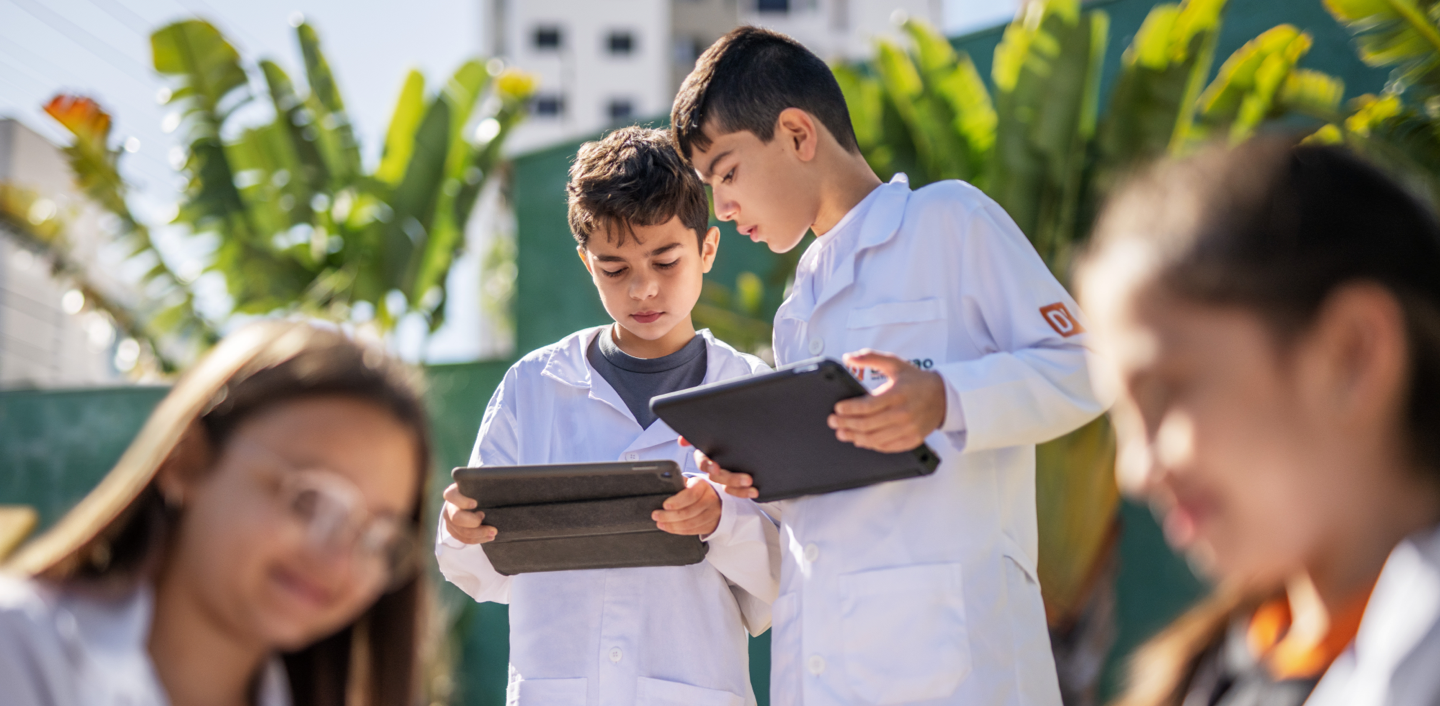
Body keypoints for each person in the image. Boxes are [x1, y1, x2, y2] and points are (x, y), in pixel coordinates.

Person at [669, 26, 1107, 706]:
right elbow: (828, 499)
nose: (721, 210)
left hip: (959, 668)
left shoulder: (949, 221)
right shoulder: (796, 309)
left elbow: (1088, 367)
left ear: (797, 134)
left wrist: (947, 398)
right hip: (824, 668)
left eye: (727, 173)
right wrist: (753, 477)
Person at [1078, 137, 1440, 706]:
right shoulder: (1223, 667)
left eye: (1167, 392)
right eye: (1120, 415)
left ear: (1354, 354)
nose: (1135, 472)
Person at [435, 126, 780, 705]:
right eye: (615, 269)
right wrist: (460, 529)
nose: (643, 289)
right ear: (586, 264)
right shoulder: (532, 387)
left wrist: (721, 519)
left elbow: (784, 577)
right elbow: (475, 572)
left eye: (665, 261)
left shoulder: (747, 390)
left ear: (707, 249)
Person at [0, 321, 432, 706]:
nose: (337, 560)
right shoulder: (20, 650)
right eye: (311, 500)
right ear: (186, 461)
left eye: (378, 538)